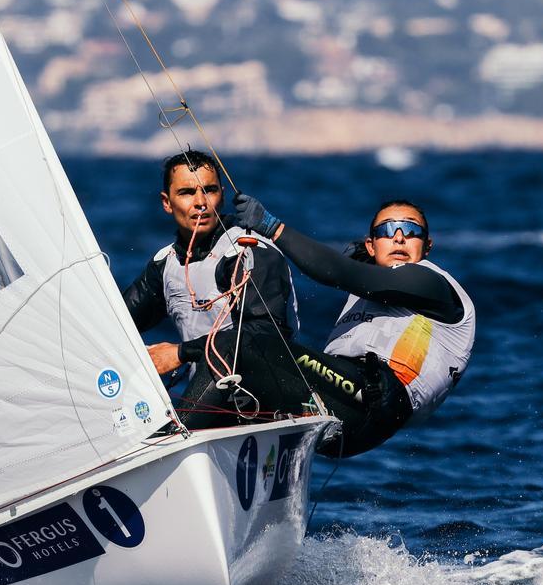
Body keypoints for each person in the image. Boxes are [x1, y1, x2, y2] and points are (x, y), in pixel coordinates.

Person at [147, 196, 476, 458]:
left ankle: (166, 450)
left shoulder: (431, 284)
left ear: (427, 246)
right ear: (372, 244)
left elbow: (340, 271)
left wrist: (272, 227)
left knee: (235, 346)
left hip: (368, 403)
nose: (400, 236)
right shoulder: (369, 294)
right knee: (239, 387)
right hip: (337, 406)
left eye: (411, 230)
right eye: (388, 229)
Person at [122, 150, 298, 374]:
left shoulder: (248, 251)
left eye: (209, 190)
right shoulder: (165, 264)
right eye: (186, 193)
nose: (200, 202)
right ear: (167, 202)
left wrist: (180, 353)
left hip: (266, 394)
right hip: (210, 395)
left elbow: (265, 335)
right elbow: (115, 324)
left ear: (222, 196)